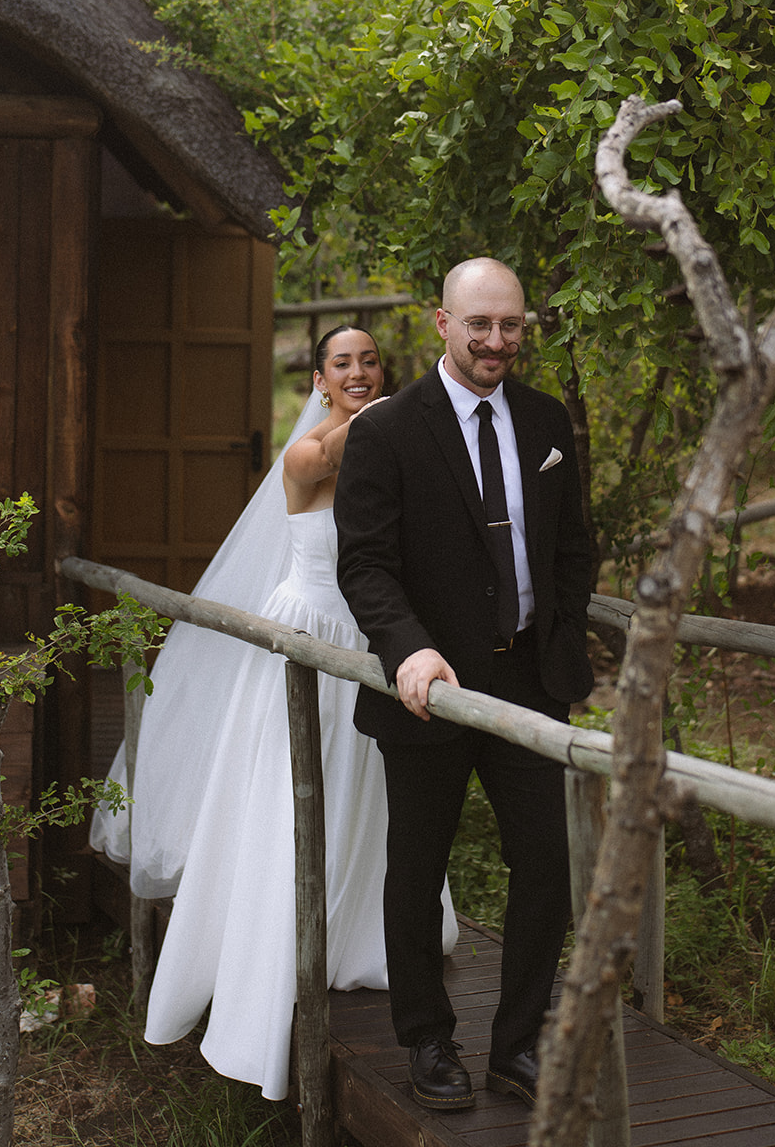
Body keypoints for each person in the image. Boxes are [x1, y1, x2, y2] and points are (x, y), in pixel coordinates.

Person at [89, 325, 458, 1102]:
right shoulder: (308, 454)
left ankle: (360, 927)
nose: (357, 372)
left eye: (367, 361)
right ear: (320, 381)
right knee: (292, 792)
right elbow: (346, 453)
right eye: (341, 364)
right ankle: (270, 944)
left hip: (368, 634)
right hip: (310, 631)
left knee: (370, 790)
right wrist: (420, 401)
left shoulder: (389, 434)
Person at [334, 259, 594, 1112]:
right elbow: (365, 566)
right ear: (439, 322)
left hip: (528, 682)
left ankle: (516, 1045)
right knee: (416, 868)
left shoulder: (547, 419)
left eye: (509, 326)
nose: (495, 341)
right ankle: (428, 1038)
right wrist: (406, 649)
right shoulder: (384, 429)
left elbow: (572, 549)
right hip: (429, 686)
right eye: (478, 324)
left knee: (547, 870)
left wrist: (556, 633)